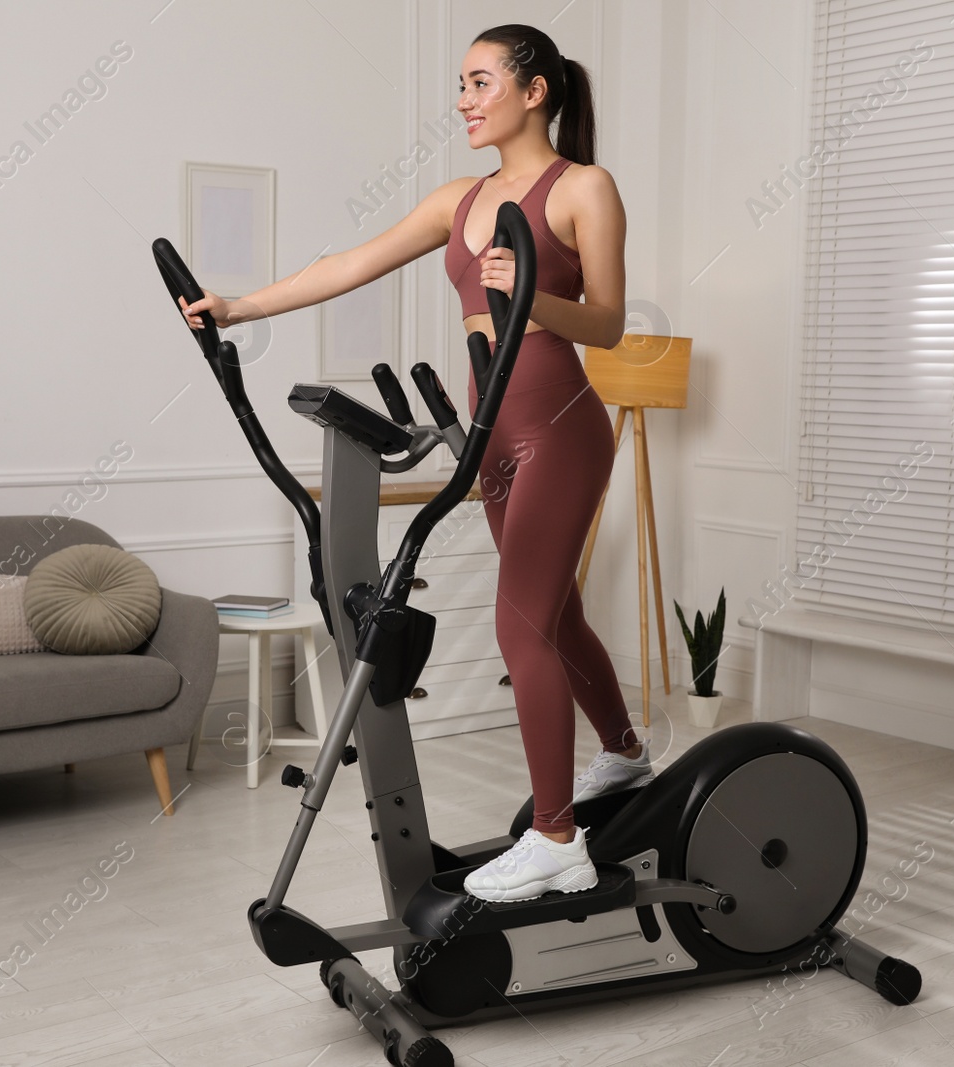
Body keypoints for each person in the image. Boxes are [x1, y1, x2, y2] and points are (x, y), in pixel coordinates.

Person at [180, 23, 650, 903]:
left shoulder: (585, 188)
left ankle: (559, 839)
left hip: (559, 424)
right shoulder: (458, 200)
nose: (464, 100)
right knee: (557, 610)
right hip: (488, 433)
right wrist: (239, 306)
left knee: (523, 625)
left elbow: (612, 323)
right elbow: (350, 264)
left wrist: (531, 295)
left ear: (534, 89)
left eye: (479, 82)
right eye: (461, 85)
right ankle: (624, 750)